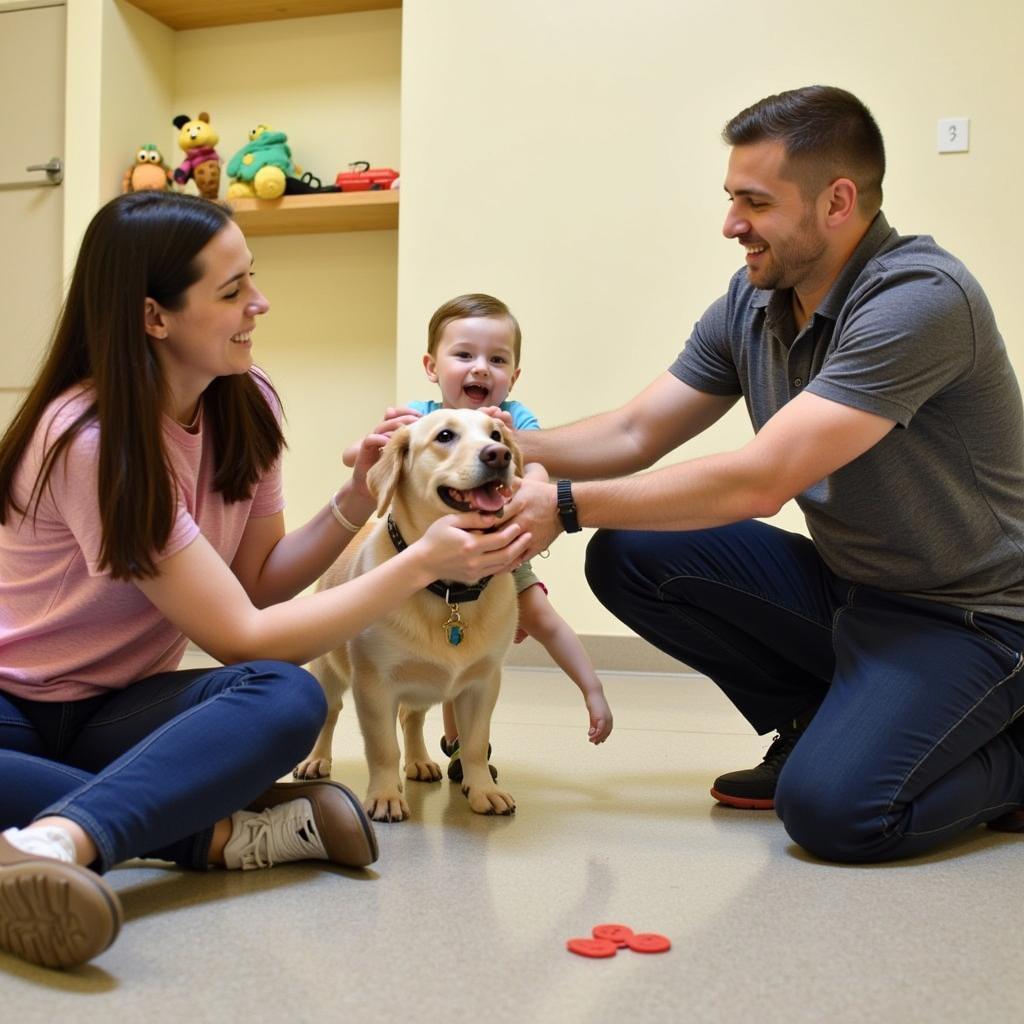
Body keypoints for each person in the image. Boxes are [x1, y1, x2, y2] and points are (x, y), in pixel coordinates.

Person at [0, 191, 530, 971]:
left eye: (254, 277)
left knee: (288, 695)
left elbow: (257, 585)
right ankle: (159, 831)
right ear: (155, 317)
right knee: (260, 684)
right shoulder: (93, 438)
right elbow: (237, 634)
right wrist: (419, 563)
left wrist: (355, 502)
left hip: (119, 705)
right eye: (231, 291)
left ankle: (93, 815)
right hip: (14, 703)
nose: (261, 302)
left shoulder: (246, 402)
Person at [503, 84, 1024, 864]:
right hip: (857, 591)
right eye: (730, 198)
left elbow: (761, 479)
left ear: (838, 201)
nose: (730, 225)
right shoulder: (753, 300)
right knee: (630, 553)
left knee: (834, 813)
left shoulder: (918, 299)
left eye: (754, 202)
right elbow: (637, 430)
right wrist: (492, 446)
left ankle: (1012, 761)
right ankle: (818, 718)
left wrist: (566, 506)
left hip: (973, 618)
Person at [344, 294, 613, 782]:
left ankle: (587, 692)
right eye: (464, 356)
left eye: (497, 359)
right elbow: (360, 459)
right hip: (418, 557)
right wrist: (378, 441)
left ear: (514, 373)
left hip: (501, 551)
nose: (480, 369)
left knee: (517, 631)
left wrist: (531, 490)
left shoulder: (511, 424)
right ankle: (439, 748)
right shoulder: (417, 418)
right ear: (432, 366)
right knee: (421, 663)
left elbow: (536, 468)